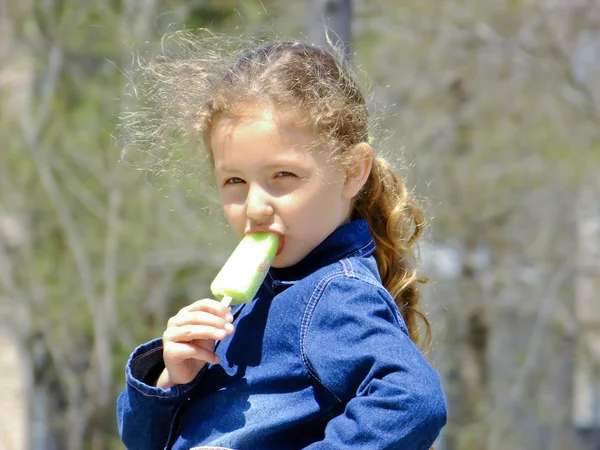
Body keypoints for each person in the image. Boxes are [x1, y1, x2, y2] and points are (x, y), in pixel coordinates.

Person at [117, 37, 447, 450]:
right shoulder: (258, 294)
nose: (255, 206)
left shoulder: (335, 293)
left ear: (352, 171)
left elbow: (414, 401)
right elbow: (141, 441)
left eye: (283, 176)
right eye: (235, 181)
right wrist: (171, 377)